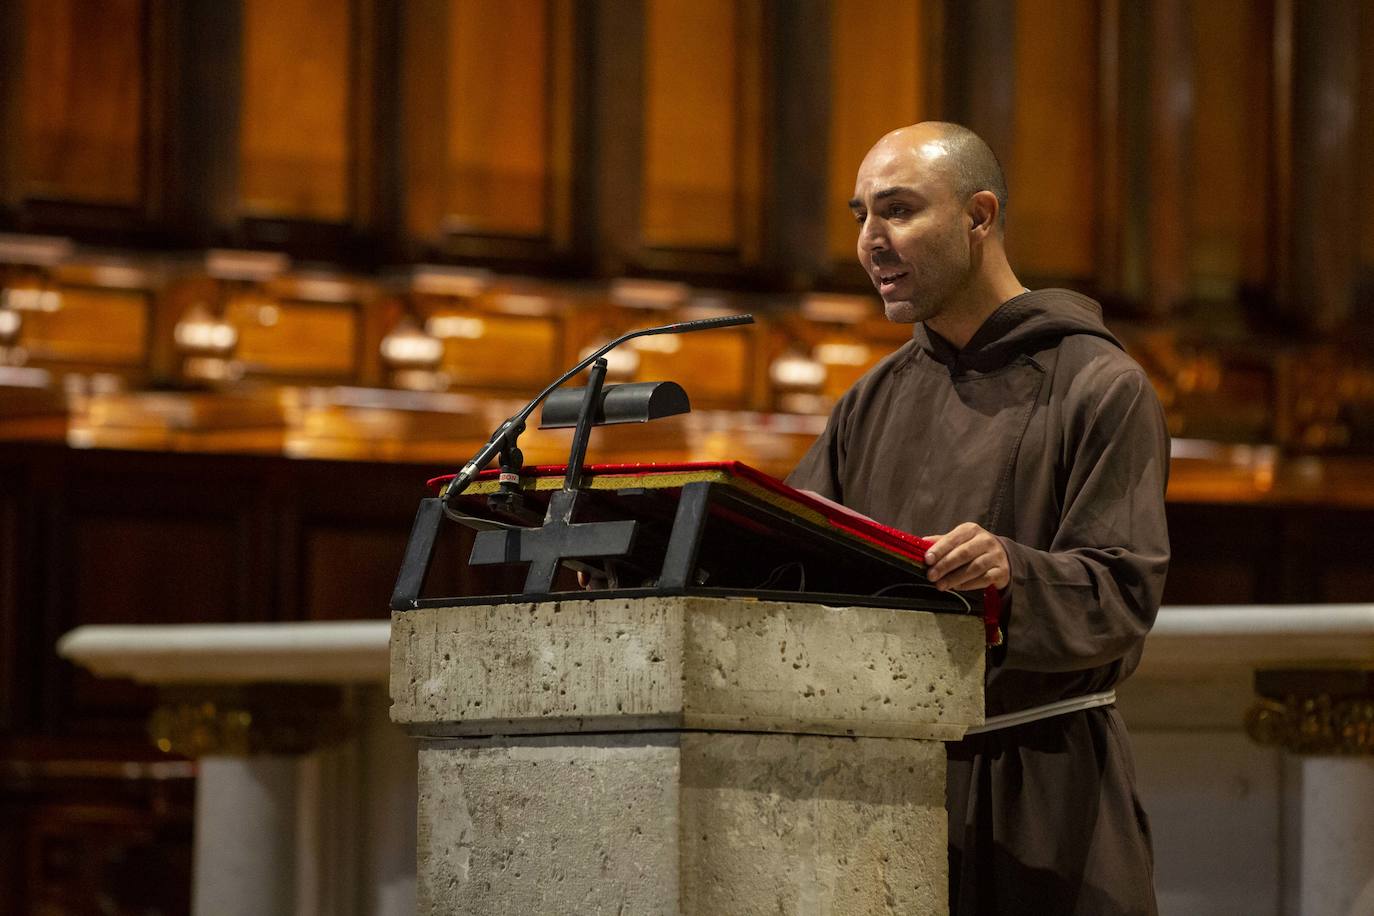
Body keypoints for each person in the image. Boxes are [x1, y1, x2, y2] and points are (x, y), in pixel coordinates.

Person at [786, 122, 1169, 916]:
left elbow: (1124, 593)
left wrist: (1012, 571)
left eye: (896, 211)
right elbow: (794, 550)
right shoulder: (873, 398)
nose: (869, 242)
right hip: (890, 790)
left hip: (1044, 793)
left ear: (980, 216)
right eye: (861, 215)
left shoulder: (1100, 385)